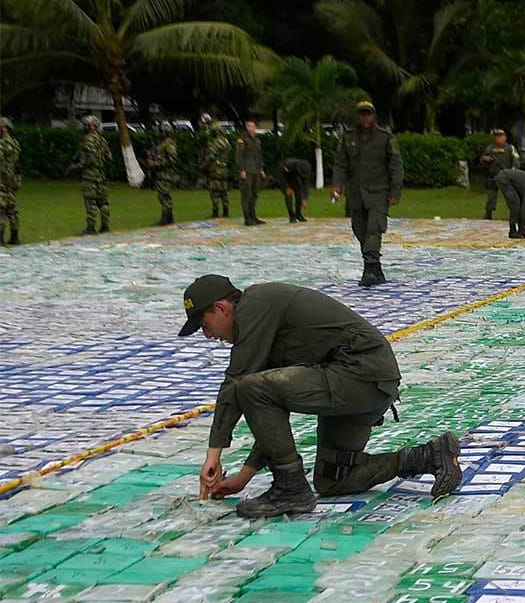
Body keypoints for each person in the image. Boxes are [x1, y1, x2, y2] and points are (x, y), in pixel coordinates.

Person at [180, 274, 462, 519]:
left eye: (205, 325)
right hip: (364, 382)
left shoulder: (256, 304)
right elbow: (269, 418)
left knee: (251, 386)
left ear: (221, 308)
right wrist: (244, 476)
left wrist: (213, 454)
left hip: (358, 373)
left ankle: (290, 488)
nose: (208, 335)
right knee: (335, 480)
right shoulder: (263, 330)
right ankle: (429, 456)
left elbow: (239, 384)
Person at [331, 99, 404, 287]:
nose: (365, 118)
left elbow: (395, 165)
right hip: (356, 193)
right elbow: (341, 164)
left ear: (374, 116)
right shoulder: (347, 138)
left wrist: (395, 191)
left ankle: (369, 268)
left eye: (368, 114)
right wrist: (337, 185)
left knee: (374, 228)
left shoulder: (385, 137)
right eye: (362, 114)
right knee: (359, 229)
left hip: (378, 192)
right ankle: (376, 267)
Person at [76, 114, 110, 235]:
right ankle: (105, 225)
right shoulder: (102, 140)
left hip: (90, 176)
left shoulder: (88, 140)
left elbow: (90, 159)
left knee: (90, 201)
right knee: (103, 201)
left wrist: (77, 167)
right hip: (101, 175)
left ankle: (91, 227)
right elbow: (108, 158)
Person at [478, 129, 519, 220]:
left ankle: (514, 214)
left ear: (505, 137)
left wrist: (513, 170)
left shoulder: (510, 148)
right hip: (493, 175)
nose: (499, 138)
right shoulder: (490, 148)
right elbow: (482, 159)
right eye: (497, 136)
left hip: (506, 175)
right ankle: (488, 213)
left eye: (501, 136)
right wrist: (486, 159)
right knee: (491, 196)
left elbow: (516, 159)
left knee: (510, 196)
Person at [236, 118, 267, 226]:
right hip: (247, 171)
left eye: (252, 126)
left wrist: (261, 169)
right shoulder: (242, 140)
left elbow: (259, 156)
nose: (251, 128)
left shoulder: (257, 141)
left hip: (256, 171)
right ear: (246, 127)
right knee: (246, 195)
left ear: (255, 128)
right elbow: (239, 156)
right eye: (248, 126)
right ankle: (247, 218)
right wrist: (242, 169)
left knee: (254, 194)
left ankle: (253, 216)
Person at [201, 116, 232, 219]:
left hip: (215, 170)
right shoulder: (226, 142)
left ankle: (215, 212)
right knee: (224, 191)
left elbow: (211, 156)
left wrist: (203, 166)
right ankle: (226, 211)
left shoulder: (215, 143)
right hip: (224, 169)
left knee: (214, 191)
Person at [148, 122, 177, 226]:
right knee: (163, 195)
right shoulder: (163, 142)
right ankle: (168, 217)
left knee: (164, 195)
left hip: (166, 173)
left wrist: (156, 164)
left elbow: (172, 159)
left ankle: (166, 217)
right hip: (161, 173)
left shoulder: (168, 143)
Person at [0, 117, 20, 246]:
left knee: (1, 209)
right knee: (12, 209)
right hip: (12, 180)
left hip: (2, 179)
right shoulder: (15, 143)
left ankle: (0, 238)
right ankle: (15, 237)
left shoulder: (1, 144)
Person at [278, 156, 311, 223]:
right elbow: (282, 176)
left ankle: (298, 214)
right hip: (285, 177)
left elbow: (305, 186)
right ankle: (291, 215)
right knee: (289, 195)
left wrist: (304, 198)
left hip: (295, 178)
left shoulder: (305, 170)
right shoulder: (288, 164)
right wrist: (286, 187)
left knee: (299, 193)